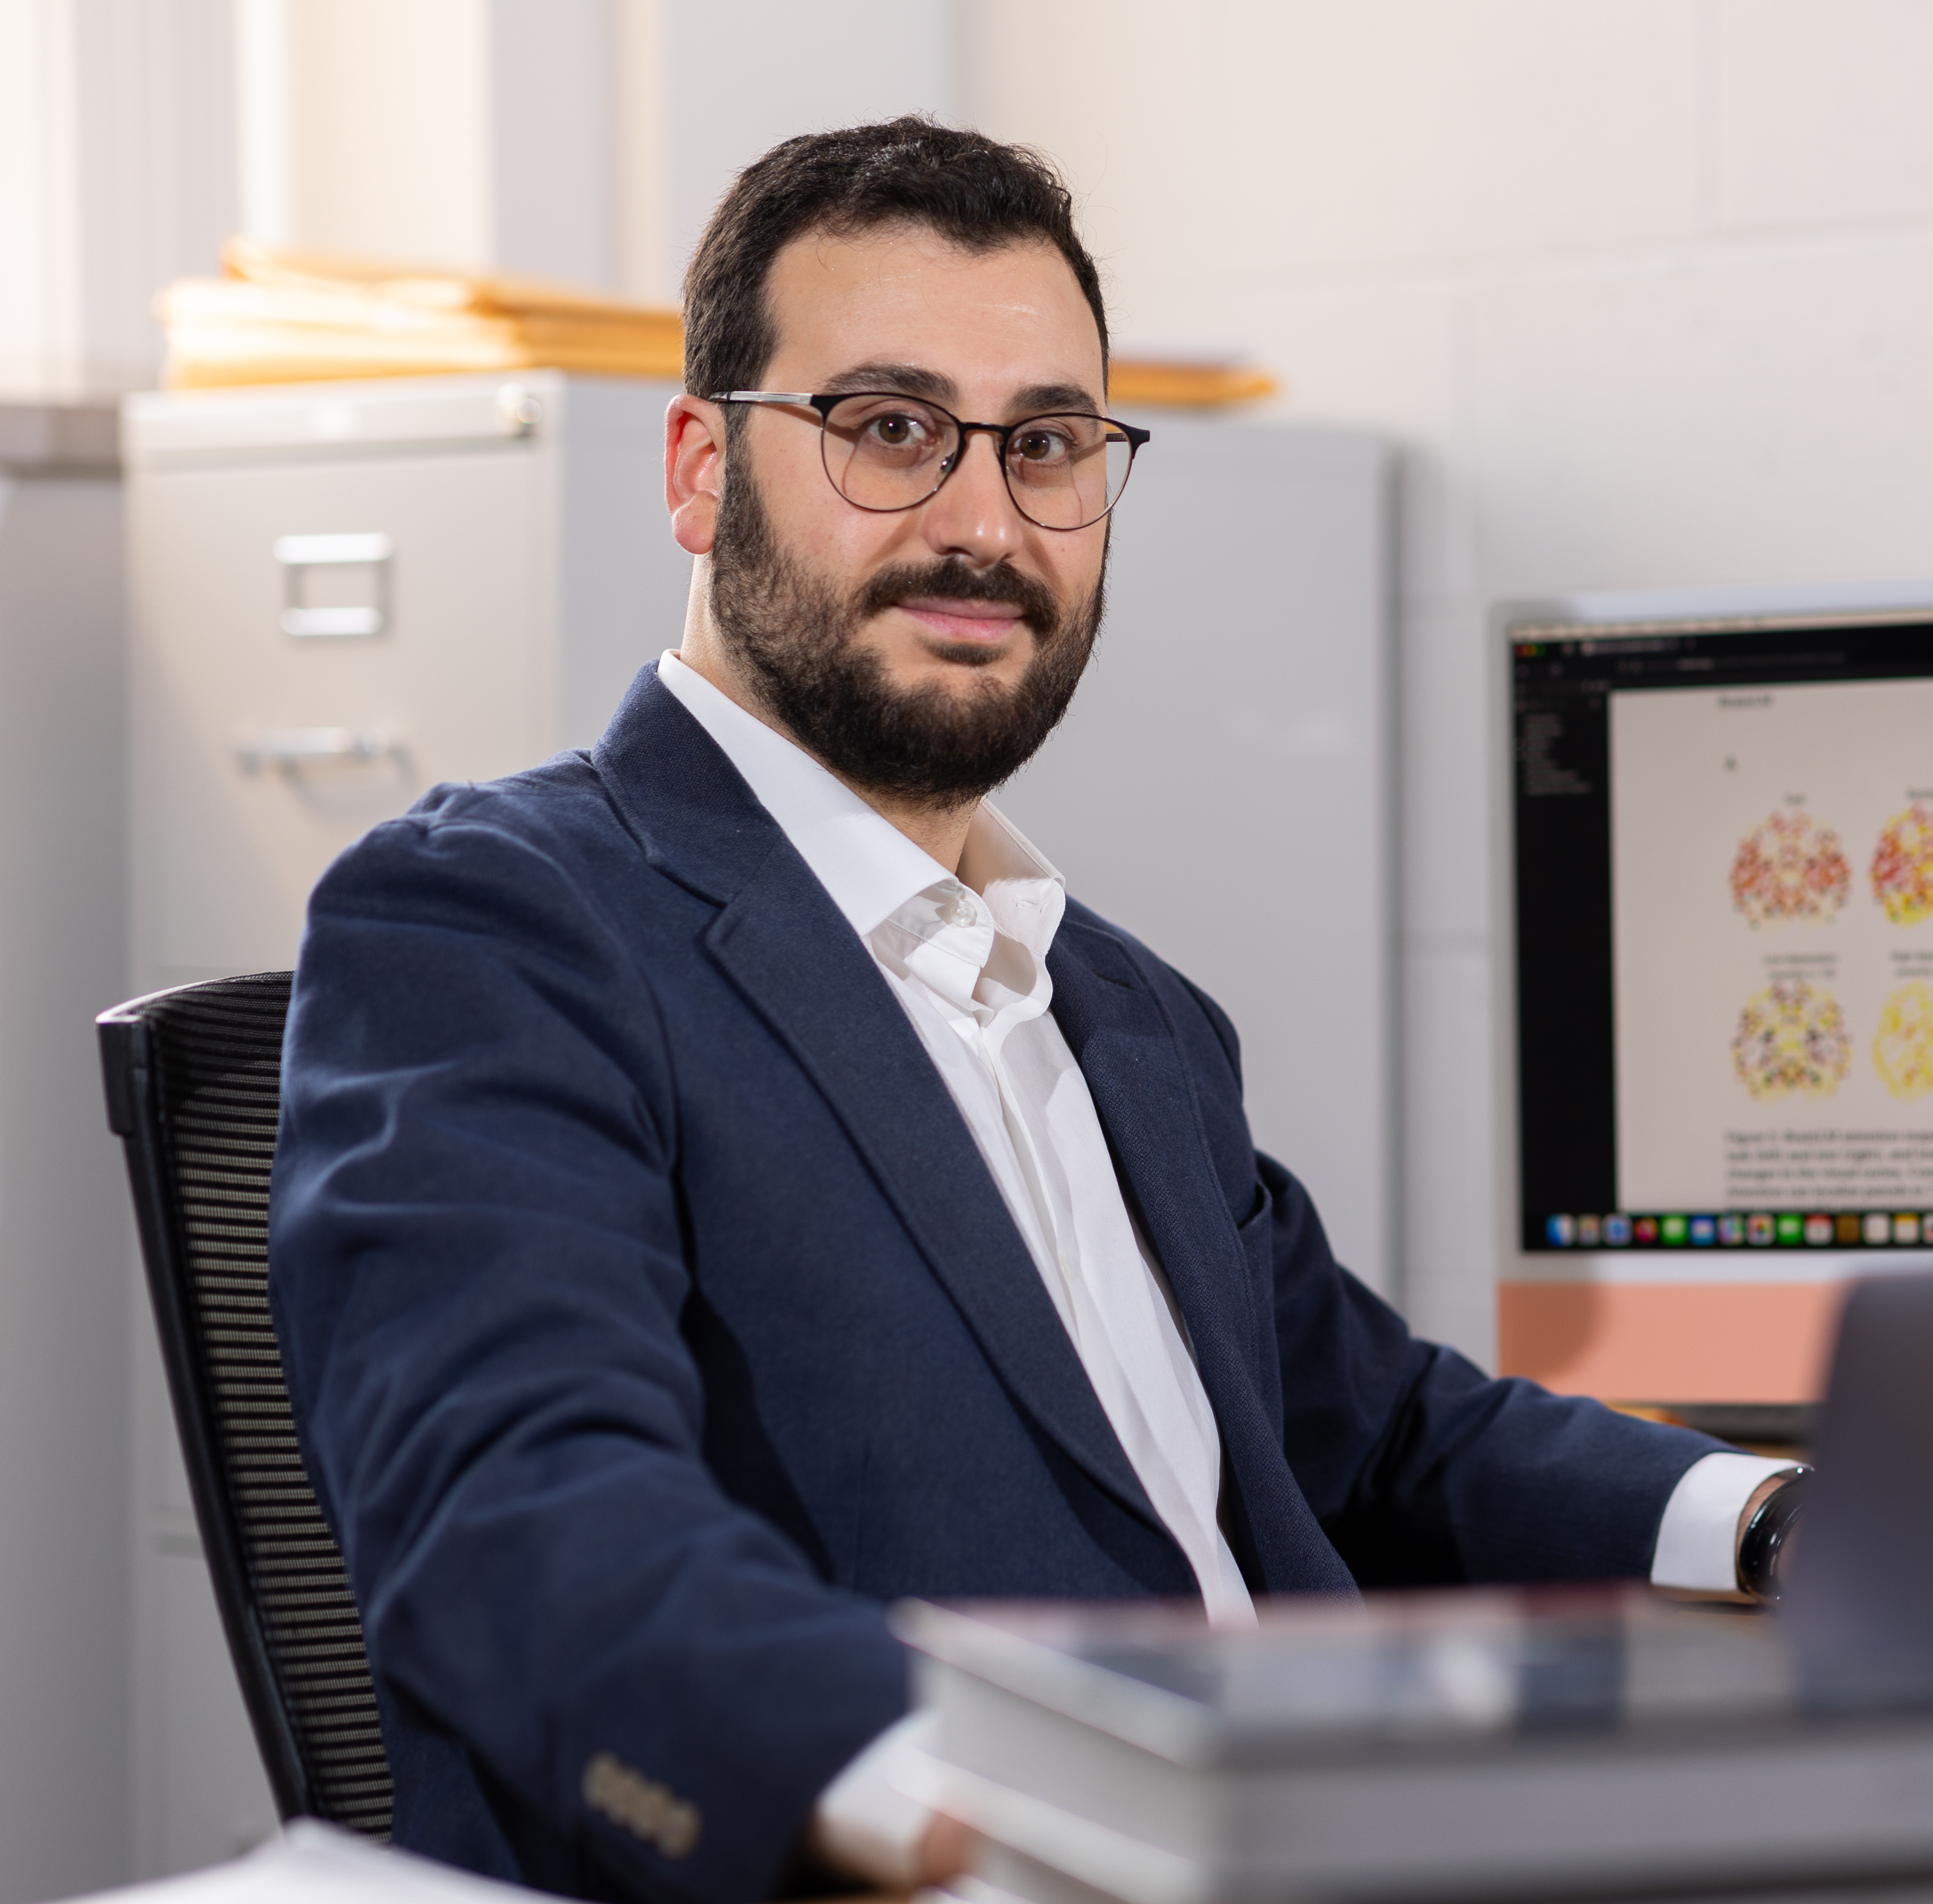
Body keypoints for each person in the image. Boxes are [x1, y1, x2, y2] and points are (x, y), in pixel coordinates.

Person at [269, 119, 1800, 1904]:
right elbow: (523, 1523)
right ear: (698, 471)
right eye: (891, 429)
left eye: (1051, 445)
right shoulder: (500, 924)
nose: (985, 523)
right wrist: (957, 1799)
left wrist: (1771, 1526)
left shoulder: (1120, 1008)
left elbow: (1378, 1432)